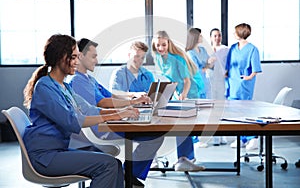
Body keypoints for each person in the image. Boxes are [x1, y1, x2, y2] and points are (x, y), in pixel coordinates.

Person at [22, 34, 139, 188]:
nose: (77, 62)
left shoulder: (65, 87)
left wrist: (123, 111)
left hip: (58, 150)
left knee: (115, 165)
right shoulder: (44, 87)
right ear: (61, 57)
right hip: (45, 157)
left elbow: (89, 109)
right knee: (108, 165)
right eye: (74, 57)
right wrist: (118, 114)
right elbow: (73, 120)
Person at [68, 38, 164, 187]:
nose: (97, 60)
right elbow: (103, 102)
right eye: (93, 56)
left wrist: (134, 95)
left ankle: (128, 175)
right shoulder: (78, 81)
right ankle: (128, 174)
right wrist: (132, 103)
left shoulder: (89, 79)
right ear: (80, 56)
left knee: (154, 134)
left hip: (108, 121)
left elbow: (111, 95)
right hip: (100, 128)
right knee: (154, 135)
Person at [152, 30, 205, 171]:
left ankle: (185, 158)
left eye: (164, 44)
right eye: (158, 45)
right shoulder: (157, 58)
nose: (161, 48)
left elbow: (187, 81)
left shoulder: (177, 59)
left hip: (190, 91)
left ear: (168, 43)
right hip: (178, 92)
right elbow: (169, 78)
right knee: (179, 123)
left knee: (184, 123)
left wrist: (183, 95)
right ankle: (185, 158)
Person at [225, 23, 262, 150]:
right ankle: (241, 138)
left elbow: (255, 68)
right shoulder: (233, 48)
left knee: (246, 111)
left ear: (240, 33)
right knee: (235, 113)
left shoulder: (252, 49)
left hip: (244, 85)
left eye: (235, 32)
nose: (233, 34)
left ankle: (253, 138)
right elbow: (228, 64)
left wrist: (249, 77)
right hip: (232, 83)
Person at [209, 28, 229, 146]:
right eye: (215, 36)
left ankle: (223, 135)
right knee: (212, 110)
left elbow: (228, 64)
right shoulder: (207, 50)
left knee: (222, 109)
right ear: (211, 37)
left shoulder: (225, 49)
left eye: (219, 35)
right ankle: (215, 137)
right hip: (210, 82)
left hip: (221, 81)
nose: (217, 38)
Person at [185, 27, 214, 99]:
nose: (202, 37)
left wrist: (211, 63)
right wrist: (208, 65)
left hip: (205, 84)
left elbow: (210, 64)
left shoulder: (203, 50)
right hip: (196, 84)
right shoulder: (190, 53)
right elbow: (196, 71)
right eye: (200, 35)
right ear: (195, 37)